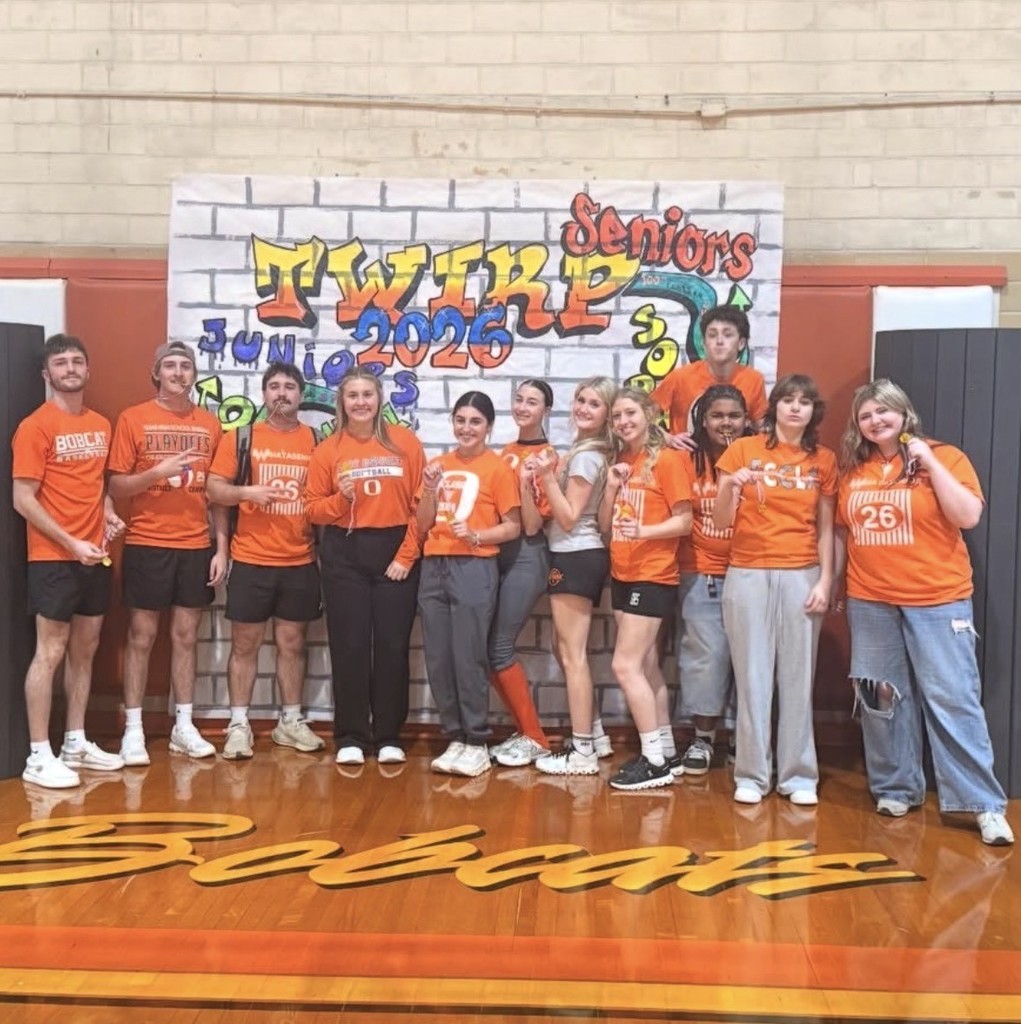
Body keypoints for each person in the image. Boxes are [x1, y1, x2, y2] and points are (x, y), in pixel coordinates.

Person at [835, 379, 1013, 846]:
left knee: (953, 698)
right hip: (871, 600)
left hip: (938, 599)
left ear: (903, 413)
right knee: (880, 698)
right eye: (866, 415)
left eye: (883, 411)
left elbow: (968, 516)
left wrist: (929, 463)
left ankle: (983, 805)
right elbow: (843, 532)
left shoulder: (946, 456)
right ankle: (896, 788)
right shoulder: (855, 470)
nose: (876, 420)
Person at [714, 374, 836, 806]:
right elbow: (723, 518)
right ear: (775, 407)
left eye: (804, 401)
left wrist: (825, 579)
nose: (795, 408)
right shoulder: (743, 450)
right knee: (752, 677)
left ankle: (799, 775)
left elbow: (825, 529)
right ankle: (751, 773)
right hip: (747, 572)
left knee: (798, 678)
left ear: (812, 412)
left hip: (802, 572)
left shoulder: (823, 460)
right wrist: (732, 484)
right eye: (788, 400)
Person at [12, 334, 126, 788]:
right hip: (53, 557)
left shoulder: (100, 423)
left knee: (86, 649)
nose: (71, 368)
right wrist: (70, 541)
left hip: (94, 555)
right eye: (61, 363)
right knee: (51, 652)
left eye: (78, 361)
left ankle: (75, 742)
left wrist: (110, 515)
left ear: (87, 369)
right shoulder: (35, 426)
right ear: (47, 374)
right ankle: (39, 755)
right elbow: (23, 498)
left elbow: (96, 484)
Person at [108, 341, 228, 765]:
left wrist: (222, 547)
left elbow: (217, 494)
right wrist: (156, 473)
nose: (179, 372)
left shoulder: (211, 424)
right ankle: (134, 730)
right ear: (156, 373)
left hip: (195, 544)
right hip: (146, 542)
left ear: (194, 374)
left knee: (185, 636)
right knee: (141, 636)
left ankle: (184, 725)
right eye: (170, 366)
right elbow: (117, 485)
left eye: (186, 366)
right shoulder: (133, 418)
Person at [205, 362, 324, 760]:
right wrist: (248, 494)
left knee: (293, 644)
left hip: (301, 558)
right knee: (245, 644)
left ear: (300, 395)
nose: (281, 394)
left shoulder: (316, 440)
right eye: (274, 386)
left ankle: (291, 720)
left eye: (290, 387)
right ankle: (239, 723)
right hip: (251, 557)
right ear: (263, 392)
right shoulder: (241, 436)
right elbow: (214, 489)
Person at [306, 366, 424, 766]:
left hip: (394, 550)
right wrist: (340, 498)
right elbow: (313, 511)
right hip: (345, 552)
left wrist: (406, 556)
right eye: (352, 395)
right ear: (342, 402)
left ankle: (389, 733)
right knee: (350, 646)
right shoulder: (328, 450)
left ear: (379, 400)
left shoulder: (405, 443)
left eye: (367, 395)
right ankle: (352, 734)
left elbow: (421, 508)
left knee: (392, 646)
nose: (360, 402)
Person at [417, 391, 521, 778]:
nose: (466, 428)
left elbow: (513, 527)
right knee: (439, 657)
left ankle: (477, 740)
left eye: (475, 421)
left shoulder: (498, 469)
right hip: (434, 564)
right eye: (460, 420)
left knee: (468, 654)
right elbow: (423, 522)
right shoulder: (438, 464)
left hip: (475, 566)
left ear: (489, 427)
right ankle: (456, 737)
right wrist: (429, 488)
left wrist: (477, 535)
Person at [597, 387, 693, 791]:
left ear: (650, 414)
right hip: (622, 571)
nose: (623, 421)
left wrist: (646, 530)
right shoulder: (622, 462)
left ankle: (653, 759)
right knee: (648, 665)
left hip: (652, 574)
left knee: (625, 666)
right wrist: (612, 486)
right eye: (616, 416)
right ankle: (667, 751)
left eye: (630, 413)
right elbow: (604, 526)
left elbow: (684, 522)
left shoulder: (669, 460)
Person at [531, 377, 616, 776]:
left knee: (572, 654)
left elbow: (568, 516)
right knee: (563, 647)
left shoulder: (586, 457)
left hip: (577, 553)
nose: (583, 408)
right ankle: (595, 736)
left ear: (606, 414)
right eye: (581, 400)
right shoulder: (586, 451)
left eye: (594, 404)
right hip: (575, 553)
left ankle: (582, 751)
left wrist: (547, 477)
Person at [675, 384, 753, 774]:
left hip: (752, 572)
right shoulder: (688, 460)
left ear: (747, 420)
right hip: (702, 571)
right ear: (703, 421)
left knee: (750, 660)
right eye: (717, 416)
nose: (726, 423)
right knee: (705, 657)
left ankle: (746, 737)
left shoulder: (761, 458)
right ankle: (703, 739)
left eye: (734, 416)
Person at [488, 381, 556, 768]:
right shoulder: (505, 453)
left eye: (533, 401)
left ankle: (536, 736)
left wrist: (530, 484)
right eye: (519, 399)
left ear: (546, 409)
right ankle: (525, 732)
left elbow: (531, 526)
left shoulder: (549, 457)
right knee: (486, 649)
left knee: (498, 647)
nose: (523, 406)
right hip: (500, 552)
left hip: (528, 555)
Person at [652, 305, 767, 450]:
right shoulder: (680, 377)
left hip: (734, 462)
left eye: (727, 335)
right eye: (712, 335)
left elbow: (761, 428)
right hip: (685, 460)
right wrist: (668, 438)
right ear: (704, 343)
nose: (719, 341)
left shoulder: (754, 379)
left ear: (741, 343)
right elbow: (643, 417)